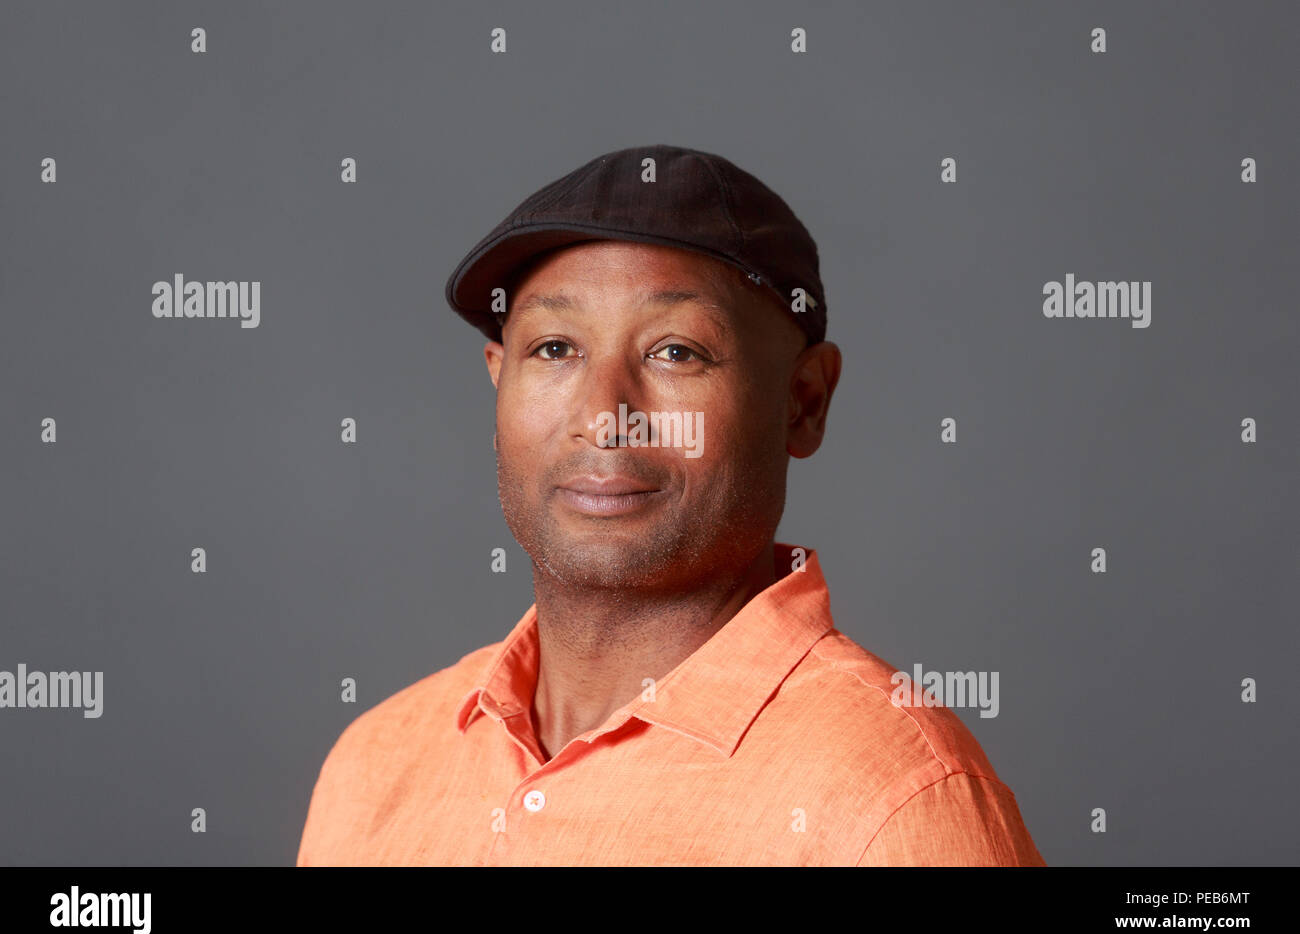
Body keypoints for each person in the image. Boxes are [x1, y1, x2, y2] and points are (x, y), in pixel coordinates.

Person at [295, 144, 1045, 865]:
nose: (603, 413)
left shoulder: (894, 803)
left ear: (803, 402)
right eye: (554, 348)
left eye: (675, 351)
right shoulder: (373, 768)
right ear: (498, 379)